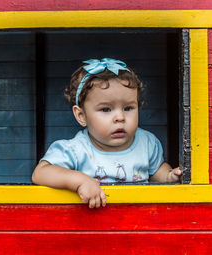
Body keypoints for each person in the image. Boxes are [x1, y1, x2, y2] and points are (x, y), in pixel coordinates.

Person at [32, 58, 183, 208]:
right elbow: (40, 173)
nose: (120, 118)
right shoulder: (76, 149)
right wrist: (79, 181)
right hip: (94, 225)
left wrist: (169, 176)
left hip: (137, 222)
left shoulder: (147, 142)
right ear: (81, 115)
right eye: (106, 109)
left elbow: (157, 172)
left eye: (128, 108)